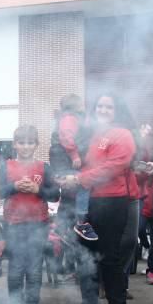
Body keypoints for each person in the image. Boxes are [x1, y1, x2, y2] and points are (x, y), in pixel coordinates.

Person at [59, 93, 139, 304]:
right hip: (90, 201)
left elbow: (114, 166)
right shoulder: (92, 134)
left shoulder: (122, 134)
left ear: (117, 110)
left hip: (114, 201)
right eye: (100, 106)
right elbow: (84, 162)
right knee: (87, 254)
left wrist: (80, 178)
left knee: (110, 258)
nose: (103, 110)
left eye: (109, 106)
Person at [0, 125, 59, 304]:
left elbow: (55, 194)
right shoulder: (6, 166)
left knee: (34, 266)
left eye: (30, 143)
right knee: (15, 267)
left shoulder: (44, 167)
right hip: (13, 223)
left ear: (36, 145)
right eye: (21, 142)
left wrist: (37, 189)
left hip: (38, 223)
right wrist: (14, 187)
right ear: (15, 144)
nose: (25, 147)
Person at [48, 95, 96, 241]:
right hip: (63, 159)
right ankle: (81, 221)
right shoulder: (70, 118)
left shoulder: (68, 118)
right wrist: (75, 155)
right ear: (75, 106)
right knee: (83, 183)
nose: (84, 106)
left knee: (69, 194)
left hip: (61, 160)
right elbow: (66, 137)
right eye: (81, 103)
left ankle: (60, 228)